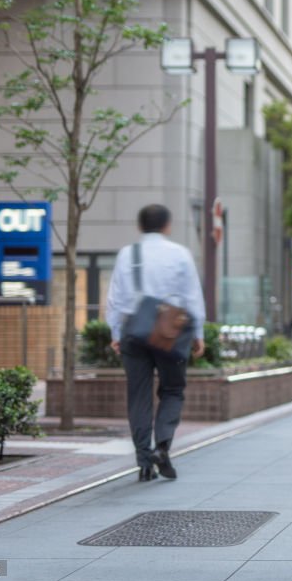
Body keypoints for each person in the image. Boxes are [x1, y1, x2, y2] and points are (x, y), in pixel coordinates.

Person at [106, 204, 205, 481]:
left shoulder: (128, 254)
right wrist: (198, 334)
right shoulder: (179, 254)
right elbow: (192, 297)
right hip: (169, 332)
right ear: (167, 225)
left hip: (134, 331)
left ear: (140, 226)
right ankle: (162, 447)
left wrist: (116, 334)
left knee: (138, 395)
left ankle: (144, 462)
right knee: (172, 390)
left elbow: (115, 298)